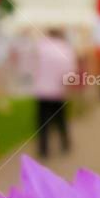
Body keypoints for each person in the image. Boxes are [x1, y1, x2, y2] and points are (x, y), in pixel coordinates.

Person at [31, 28, 77, 159]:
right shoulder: (66, 49)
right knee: (61, 119)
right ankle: (65, 143)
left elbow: (32, 66)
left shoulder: (41, 47)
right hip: (58, 91)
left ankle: (43, 148)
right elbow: (69, 71)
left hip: (42, 90)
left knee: (42, 121)